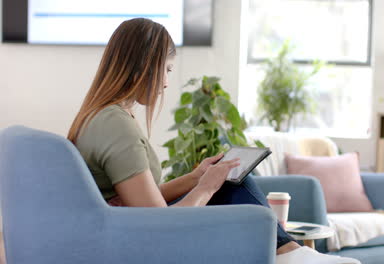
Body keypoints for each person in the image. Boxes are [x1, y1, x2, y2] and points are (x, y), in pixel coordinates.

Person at [68, 18, 360, 264]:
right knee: (234, 184)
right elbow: (159, 224)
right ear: (144, 64)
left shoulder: (103, 116)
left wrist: (196, 178)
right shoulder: (115, 124)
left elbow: (146, 199)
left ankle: (289, 253)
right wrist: (207, 186)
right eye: (166, 70)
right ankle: (291, 254)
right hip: (142, 242)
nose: (166, 83)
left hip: (128, 230)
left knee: (231, 178)